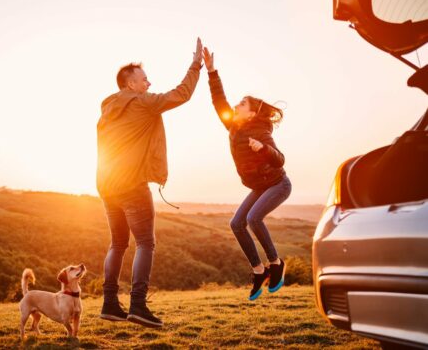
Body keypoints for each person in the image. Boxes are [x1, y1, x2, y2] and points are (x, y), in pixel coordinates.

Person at [96, 38, 203, 327]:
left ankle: (109, 304)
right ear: (130, 84)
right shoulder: (142, 103)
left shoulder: (108, 108)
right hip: (131, 184)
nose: (149, 83)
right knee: (145, 242)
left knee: (118, 243)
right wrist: (196, 65)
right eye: (144, 79)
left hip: (106, 184)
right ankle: (138, 306)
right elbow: (181, 94)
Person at [203, 46, 291, 301]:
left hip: (278, 184)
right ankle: (258, 270)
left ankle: (276, 263)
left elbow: (280, 159)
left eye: (242, 103)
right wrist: (211, 71)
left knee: (253, 219)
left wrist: (263, 148)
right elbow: (219, 101)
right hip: (260, 185)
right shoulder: (233, 126)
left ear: (251, 113)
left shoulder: (261, 132)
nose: (236, 105)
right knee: (236, 223)